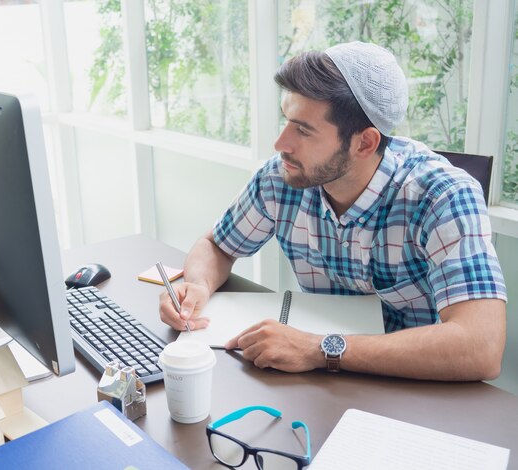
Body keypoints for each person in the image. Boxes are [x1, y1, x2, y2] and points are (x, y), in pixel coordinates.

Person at [159, 41, 507, 381]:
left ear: (364, 143)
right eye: (287, 121)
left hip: (412, 384)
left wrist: (320, 349)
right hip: (318, 379)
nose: (280, 144)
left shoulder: (443, 195)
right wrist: (198, 285)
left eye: (303, 130)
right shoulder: (280, 178)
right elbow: (218, 246)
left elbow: (482, 346)